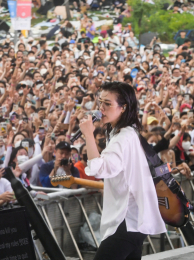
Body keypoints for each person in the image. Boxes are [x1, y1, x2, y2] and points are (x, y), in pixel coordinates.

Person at [79, 82, 166, 260]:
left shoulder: (123, 138)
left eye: (108, 104)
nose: (101, 109)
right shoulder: (126, 132)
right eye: (100, 102)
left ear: (123, 107)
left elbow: (99, 169)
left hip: (126, 219)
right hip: (133, 218)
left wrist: (88, 135)